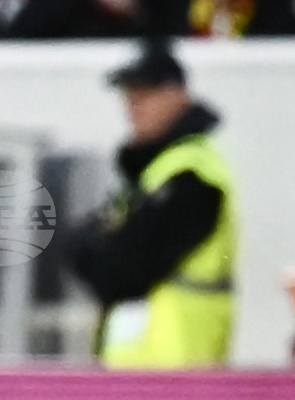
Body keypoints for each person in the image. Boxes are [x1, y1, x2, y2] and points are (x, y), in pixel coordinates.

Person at [56, 43, 237, 368]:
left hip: (177, 369)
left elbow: (122, 270)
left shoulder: (191, 175)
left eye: (146, 94)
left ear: (179, 95)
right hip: (144, 369)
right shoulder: (156, 172)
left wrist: (92, 242)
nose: (133, 107)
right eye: (129, 96)